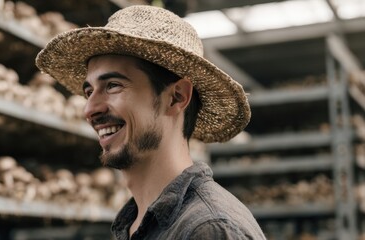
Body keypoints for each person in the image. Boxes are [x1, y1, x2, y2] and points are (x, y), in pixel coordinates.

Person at [36, 5, 265, 240]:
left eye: (113, 85)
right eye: (89, 92)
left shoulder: (208, 229)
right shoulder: (138, 223)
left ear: (177, 97)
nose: (90, 109)